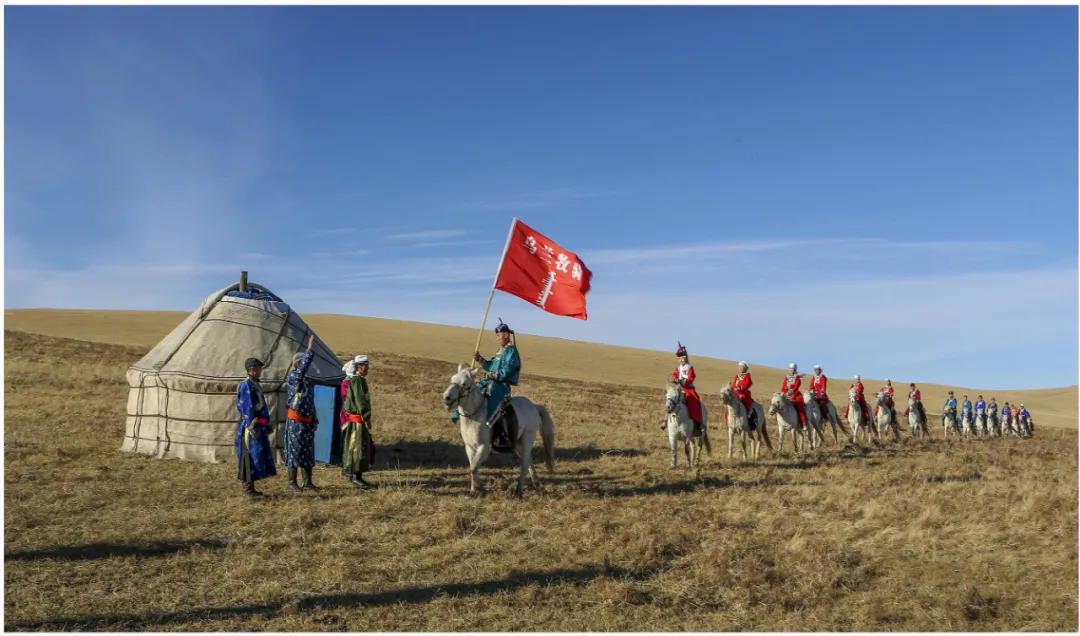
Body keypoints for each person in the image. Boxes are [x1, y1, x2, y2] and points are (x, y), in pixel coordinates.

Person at [465, 319, 522, 447]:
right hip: (491, 382)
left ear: (506, 335)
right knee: (475, 390)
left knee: (492, 396)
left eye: (498, 335)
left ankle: (497, 432)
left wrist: (493, 375)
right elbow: (492, 365)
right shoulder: (500, 351)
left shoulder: (511, 351)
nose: (497, 338)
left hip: (501, 385)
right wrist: (480, 360)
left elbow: (508, 369)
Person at [235, 357, 276, 497]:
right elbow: (247, 408)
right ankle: (247, 490)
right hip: (251, 428)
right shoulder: (246, 385)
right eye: (259, 368)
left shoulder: (255, 384)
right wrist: (253, 428)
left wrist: (267, 423)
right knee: (249, 456)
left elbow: (262, 406)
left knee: (256, 456)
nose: (261, 371)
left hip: (260, 426)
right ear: (252, 369)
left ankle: (251, 488)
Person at [284, 336, 319, 491]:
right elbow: (302, 369)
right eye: (302, 362)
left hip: (307, 420)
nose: (304, 365)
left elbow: (310, 400)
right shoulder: (293, 377)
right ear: (297, 363)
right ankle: (292, 482)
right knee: (295, 450)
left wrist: (314, 419)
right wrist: (309, 350)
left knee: (307, 450)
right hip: (296, 421)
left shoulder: (306, 380)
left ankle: (308, 482)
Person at [341, 354, 375, 489]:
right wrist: (366, 418)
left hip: (356, 419)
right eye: (366, 365)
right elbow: (360, 401)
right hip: (357, 420)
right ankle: (356, 476)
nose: (367, 368)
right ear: (360, 366)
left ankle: (353, 474)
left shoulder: (356, 379)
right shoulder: (357, 380)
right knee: (358, 448)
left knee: (356, 447)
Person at [672, 343, 704, 431]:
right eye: (679, 358)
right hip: (679, 388)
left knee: (694, 400)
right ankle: (666, 419)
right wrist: (674, 378)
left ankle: (697, 422)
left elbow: (691, 377)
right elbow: (675, 374)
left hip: (688, 389)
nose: (680, 360)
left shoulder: (690, 367)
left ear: (686, 358)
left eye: (682, 358)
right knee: (670, 398)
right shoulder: (678, 368)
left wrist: (683, 381)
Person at [731, 361, 757, 429]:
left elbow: (748, 383)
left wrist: (741, 388)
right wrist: (733, 388)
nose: (740, 368)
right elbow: (733, 384)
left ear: (745, 368)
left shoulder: (747, 375)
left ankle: (748, 415)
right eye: (739, 367)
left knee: (743, 400)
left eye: (741, 367)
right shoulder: (737, 376)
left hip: (743, 393)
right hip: (735, 393)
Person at [780, 363, 806, 427]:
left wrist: (791, 391)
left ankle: (803, 423)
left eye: (792, 369)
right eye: (790, 368)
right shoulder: (787, 377)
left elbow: (796, 385)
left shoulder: (797, 377)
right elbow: (784, 386)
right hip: (787, 394)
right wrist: (784, 391)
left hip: (795, 394)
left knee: (800, 407)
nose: (791, 370)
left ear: (794, 369)